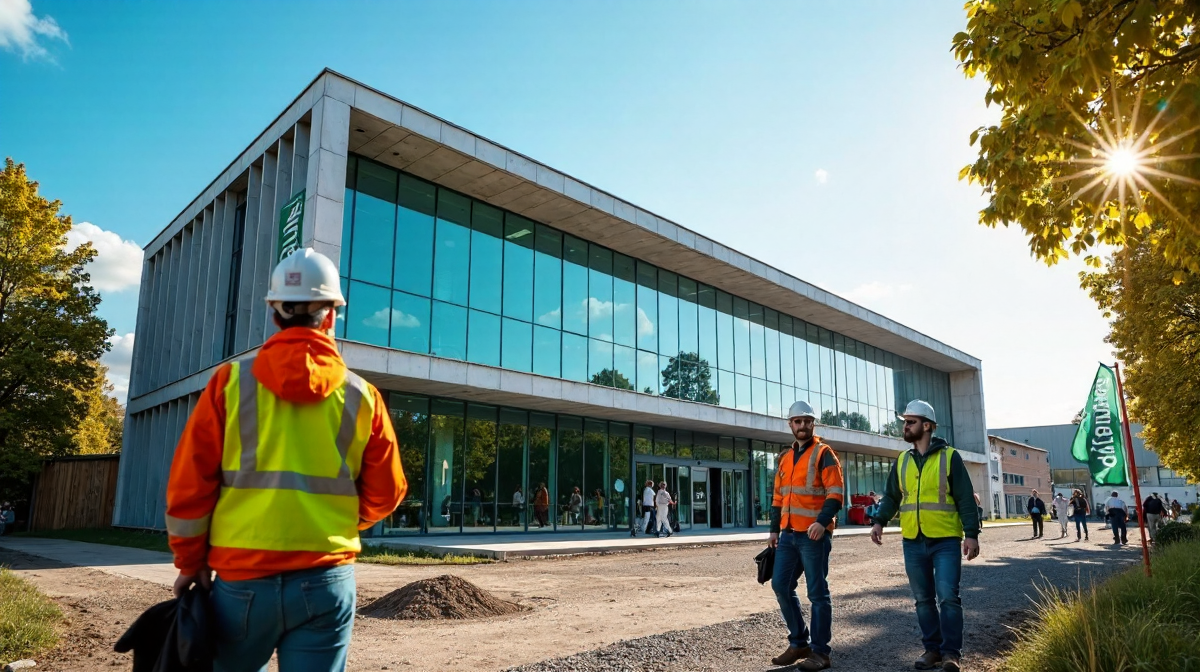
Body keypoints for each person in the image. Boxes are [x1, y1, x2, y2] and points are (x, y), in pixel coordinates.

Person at [164, 248, 406, 672]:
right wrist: (341, 520)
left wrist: (189, 562)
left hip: (242, 580)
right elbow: (388, 492)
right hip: (326, 579)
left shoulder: (229, 383)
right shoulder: (363, 396)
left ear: (275, 314)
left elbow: (190, 485)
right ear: (331, 316)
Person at [871, 400, 979, 672]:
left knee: (948, 597)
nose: (905, 426)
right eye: (905, 422)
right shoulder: (902, 460)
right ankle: (932, 650)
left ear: (927, 426)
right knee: (923, 600)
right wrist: (879, 521)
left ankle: (951, 654)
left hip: (945, 540)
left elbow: (965, 498)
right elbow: (892, 497)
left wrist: (972, 534)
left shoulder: (950, 457)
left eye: (911, 422)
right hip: (912, 540)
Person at [768, 400, 844, 671]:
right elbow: (778, 498)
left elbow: (836, 493)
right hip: (788, 535)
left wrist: (822, 523)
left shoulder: (824, 453)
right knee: (780, 585)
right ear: (790, 424)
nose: (802, 425)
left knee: (817, 593)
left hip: (813, 536)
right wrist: (774, 530)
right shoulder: (785, 458)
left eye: (807, 421)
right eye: (797, 421)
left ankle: (821, 652)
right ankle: (799, 642)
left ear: (813, 424)